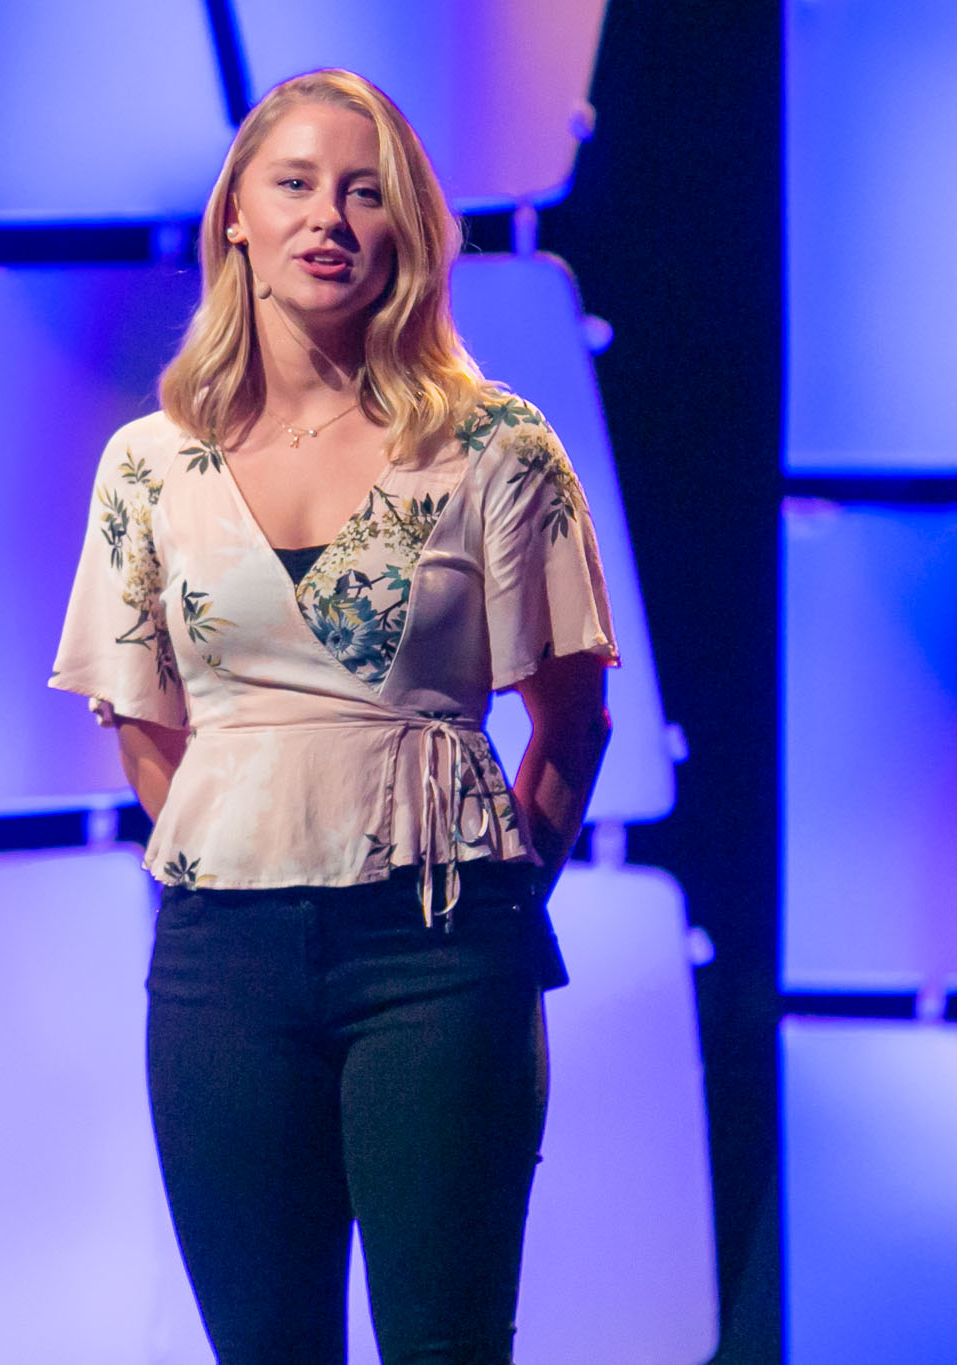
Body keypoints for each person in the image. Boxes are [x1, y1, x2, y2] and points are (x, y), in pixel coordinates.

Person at [50, 67, 617, 1365]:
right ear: (236, 214)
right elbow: (144, 722)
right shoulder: (150, 462)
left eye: (366, 193)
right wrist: (252, 830)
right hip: (222, 962)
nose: (330, 218)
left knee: (447, 1344)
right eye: (295, 184)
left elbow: (572, 720)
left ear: (408, 230)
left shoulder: (496, 449)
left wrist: (497, 892)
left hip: (440, 946)